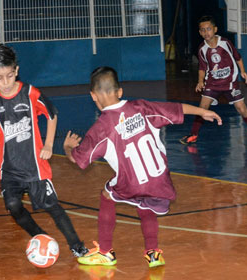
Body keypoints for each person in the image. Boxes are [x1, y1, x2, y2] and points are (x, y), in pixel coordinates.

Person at [63, 66, 222, 267]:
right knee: (146, 203)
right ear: (120, 92)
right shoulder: (142, 108)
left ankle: (105, 252)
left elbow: (78, 160)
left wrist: (68, 148)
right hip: (159, 181)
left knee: (107, 194)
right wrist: (203, 112)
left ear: (93, 96)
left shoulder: (101, 128)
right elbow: (177, 109)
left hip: (131, 183)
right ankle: (153, 253)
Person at [0, 45, 89, 258]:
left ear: (16, 71)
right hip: (8, 167)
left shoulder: (30, 93)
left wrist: (48, 145)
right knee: (12, 205)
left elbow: (51, 114)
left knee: (52, 206)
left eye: (10, 76)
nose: (6, 82)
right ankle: (41, 237)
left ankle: (77, 245)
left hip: (35, 165)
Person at [180, 15, 247, 144]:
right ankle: (193, 134)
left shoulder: (225, 43)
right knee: (202, 108)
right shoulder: (202, 49)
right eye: (203, 30)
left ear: (215, 29)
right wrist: (200, 81)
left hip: (230, 82)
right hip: (212, 83)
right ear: (200, 32)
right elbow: (202, 67)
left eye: (209, 29)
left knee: (241, 108)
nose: (206, 32)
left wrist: (243, 72)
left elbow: (238, 58)